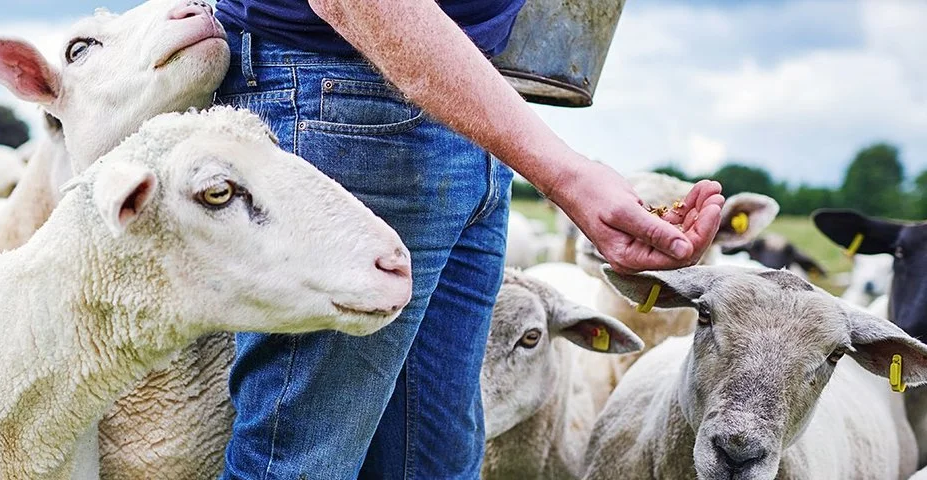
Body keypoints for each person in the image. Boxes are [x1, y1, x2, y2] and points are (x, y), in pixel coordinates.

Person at [211, 0, 726, 478]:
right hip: (345, 91)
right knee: (299, 463)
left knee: (438, 463)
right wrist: (567, 175)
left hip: (473, 103)